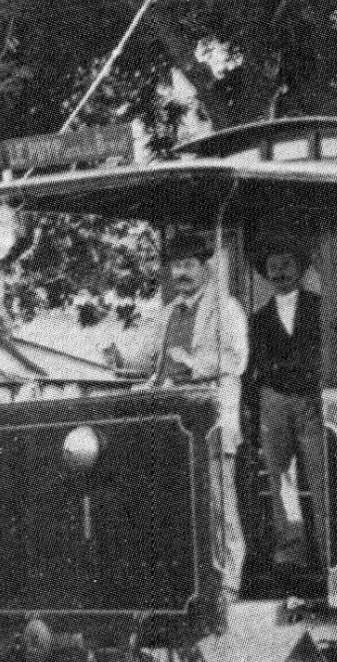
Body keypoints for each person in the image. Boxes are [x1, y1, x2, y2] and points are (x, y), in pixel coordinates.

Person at [106, 231, 249, 618]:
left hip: (213, 420)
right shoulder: (169, 312)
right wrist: (119, 356)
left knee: (219, 503)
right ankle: (192, 582)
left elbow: (235, 359)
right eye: (176, 266)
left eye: (188, 265)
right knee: (180, 504)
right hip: (174, 425)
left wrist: (190, 362)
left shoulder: (227, 309)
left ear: (206, 267)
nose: (180, 273)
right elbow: (147, 358)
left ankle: (230, 580)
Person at [248, 243, 325, 574]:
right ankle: (292, 551)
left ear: (301, 268)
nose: (279, 271)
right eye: (273, 265)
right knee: (281, 477)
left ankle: (327, 553)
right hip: (274, 400)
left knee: (321, 474)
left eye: (286, 263)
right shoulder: (259, 318)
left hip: (312, 399)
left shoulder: (321, 308)